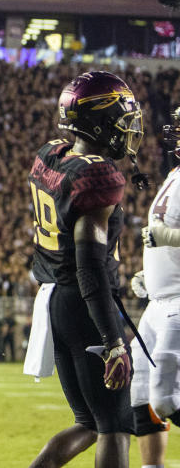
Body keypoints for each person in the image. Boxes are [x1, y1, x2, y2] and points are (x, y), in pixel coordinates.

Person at [28, 71, 142, 468]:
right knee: (115, 424)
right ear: (99, 120)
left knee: (89, 422)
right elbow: (91, 267)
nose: (128, 127)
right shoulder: (98, 175)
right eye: (121, 117)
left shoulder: (51, 154)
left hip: (56, 299)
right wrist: (113, 341)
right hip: (85, 301)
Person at [128, 105, 180, 468]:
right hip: (158, 302)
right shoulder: (174, 174)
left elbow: (165, 235)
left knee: (165, 398)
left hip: (179, 301)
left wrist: (167, 236)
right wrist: (150, 273)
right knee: (140, 393)